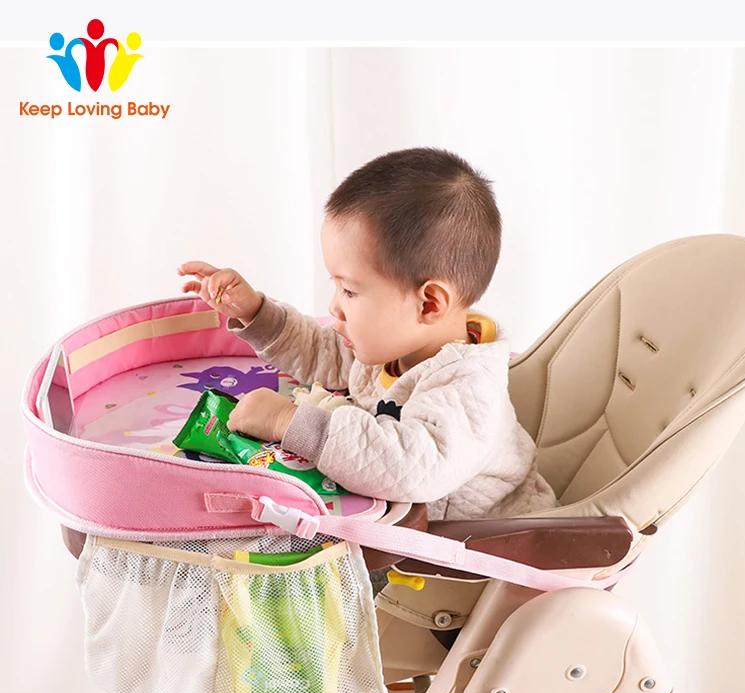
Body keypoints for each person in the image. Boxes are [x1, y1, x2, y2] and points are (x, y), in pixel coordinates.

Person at [178, 146, 556, 522]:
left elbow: (408, 467)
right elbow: (322, 353)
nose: (334, 307)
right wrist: (256, 313)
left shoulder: (468, 389)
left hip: (491, 542)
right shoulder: (396, 345)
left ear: (429, 304)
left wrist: (286, 422)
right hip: (403, 523)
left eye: (350, 291)